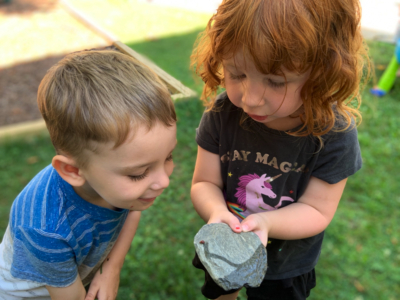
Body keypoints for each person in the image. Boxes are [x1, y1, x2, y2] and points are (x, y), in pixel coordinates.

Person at [190, 0, 369, 299]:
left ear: (321, 73)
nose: (251, 99)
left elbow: (317, 210)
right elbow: (204, 182)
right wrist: (217, 211)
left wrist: (266, 222)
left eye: (274, 82)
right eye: (237, 74)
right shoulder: (223, 113)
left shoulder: (334, 135)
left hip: (287, 263)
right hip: (224, 249)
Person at [0, 50, 177, 300]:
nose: (164, 181)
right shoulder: (45, 230)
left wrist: (111, 268)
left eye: (168, 157)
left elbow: (132, 210)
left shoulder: (114, 184)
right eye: (139, 174)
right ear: (73, 171)